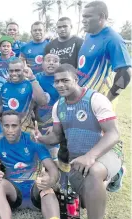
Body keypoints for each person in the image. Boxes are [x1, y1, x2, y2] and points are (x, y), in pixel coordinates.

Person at [35, 63, 123, 219]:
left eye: (65, 80)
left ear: (75, 79)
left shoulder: (95, 99)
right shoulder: (58, 106)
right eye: (57, 81)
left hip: (105, 152)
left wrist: (90, 156)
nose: (60, 85)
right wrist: (41, 138)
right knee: (84, 200)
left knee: (94, 171)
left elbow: (113, 134)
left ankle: (112, 173)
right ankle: (110, 179)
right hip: (77, 159)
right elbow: (57, 136)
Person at [78, 1, 131, 191]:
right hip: (83, 100)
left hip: (100, 102)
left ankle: (116, 173)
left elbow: (125, 74)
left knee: (104, 140)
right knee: (86, 139)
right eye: (83, 16)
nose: (83, 20)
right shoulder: (89, 35)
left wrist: (107, 99)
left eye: (88, 17)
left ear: (101, 17)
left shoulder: (113, 39)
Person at [0, 110, 60, 219]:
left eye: (14, 126)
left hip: (35, 189)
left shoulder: (33, 141)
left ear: (20, 125)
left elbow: (53, 169)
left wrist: (50, 181)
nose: (10, 130)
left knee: (45, 185)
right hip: (14, 192)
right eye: (6, 126)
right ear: (1, 126)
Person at [0, 59, 47, 132]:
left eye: (17, 70)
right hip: (7, 128)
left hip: (24, 128)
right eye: (11, 71)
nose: (13, 73)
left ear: (23, 70)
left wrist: (32, 78)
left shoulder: (30, 84)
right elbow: (3, 106)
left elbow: (43, 101)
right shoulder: (5, 86)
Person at [34, 53, 61, 161]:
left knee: (53, 156)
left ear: (59, 64)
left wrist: (56, 126)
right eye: (48, 60)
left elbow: (65, 105)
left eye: (55, 61)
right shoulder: (36, 78)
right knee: (37, 155)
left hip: (54, 125)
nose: (51, 63)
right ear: (42, 63)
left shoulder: (61, 80)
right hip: (37, 123)